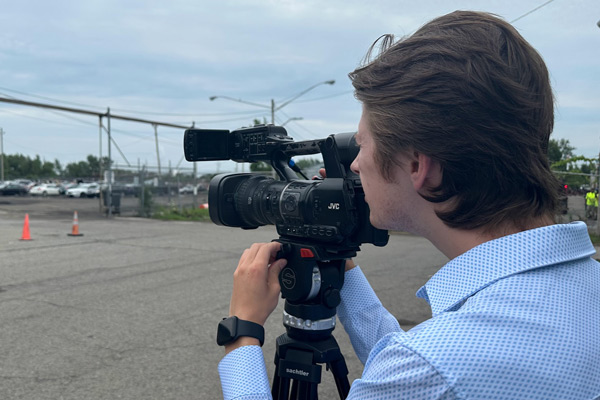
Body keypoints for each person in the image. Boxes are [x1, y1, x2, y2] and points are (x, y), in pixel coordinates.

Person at [217, 11, 600, 399]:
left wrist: (242, 334)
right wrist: (340, 263)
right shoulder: (584, 288)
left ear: (419, 166)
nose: (354, 165)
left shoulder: (434, 367)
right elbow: (408, 365)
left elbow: (424, 371)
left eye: (362, 145)